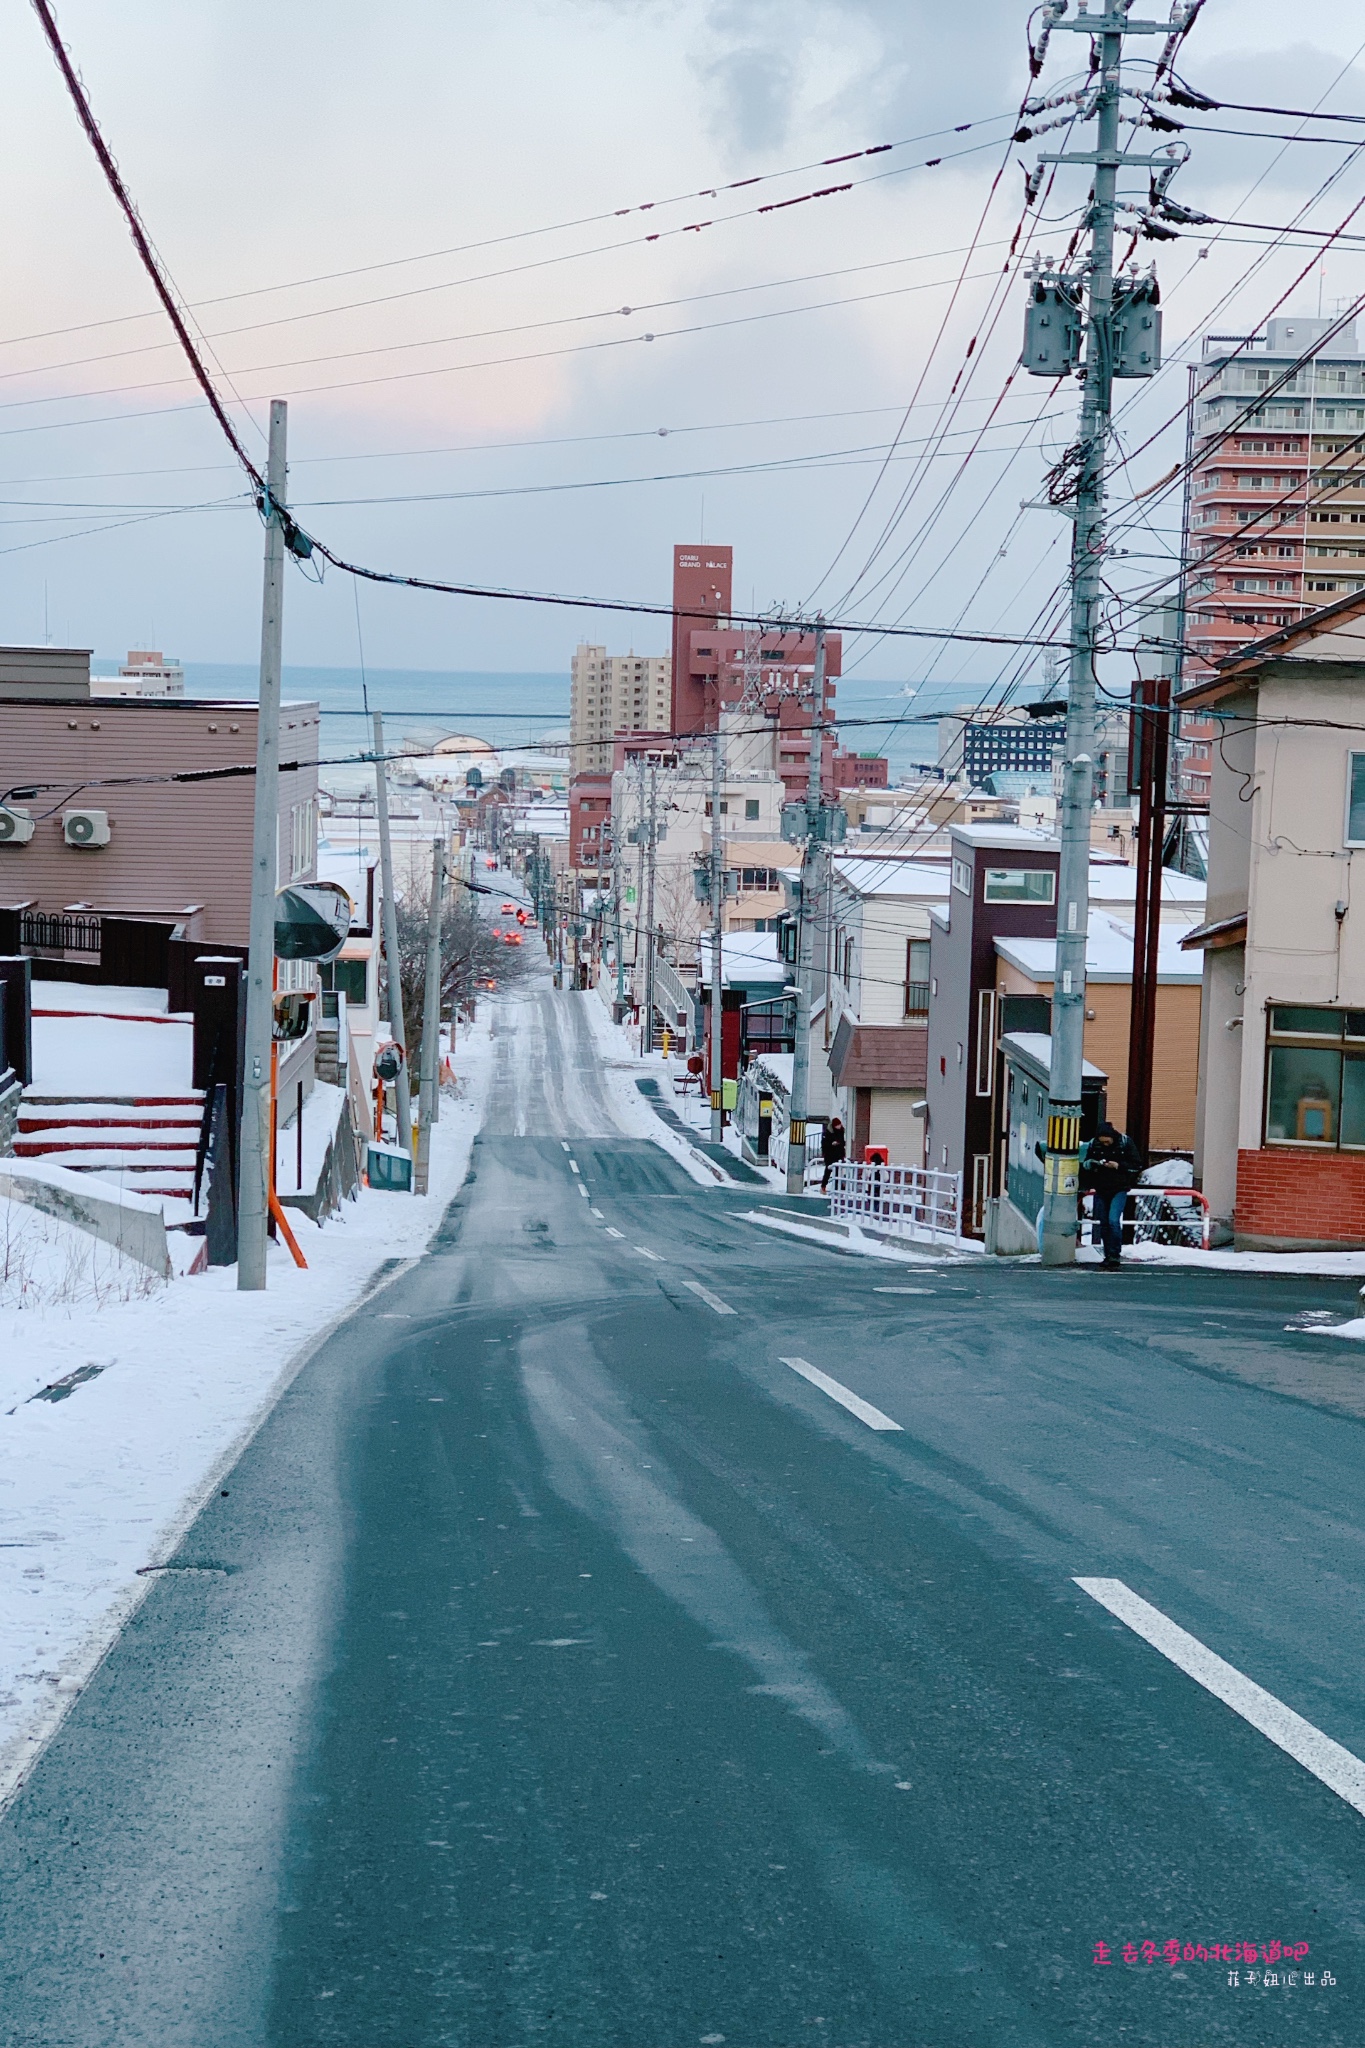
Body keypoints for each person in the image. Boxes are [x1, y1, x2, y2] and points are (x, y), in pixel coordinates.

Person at [1080, 1120, 1143, 1267]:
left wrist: (1118, 1166)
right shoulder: (1093, 1144)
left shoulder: (1125, 1143)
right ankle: (1108, 1254)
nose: (1105, 1144)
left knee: (1113, 1221)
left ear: (1112, 1136)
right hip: (1101, 1188)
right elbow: (1086, 1162)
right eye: (1102, 1142)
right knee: (1104, 1223)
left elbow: (1136, 1165)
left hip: (1119, 1188)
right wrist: (1091, 1163)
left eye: (1107, 1142)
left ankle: (1114, 1254)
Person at [820, 1116, 847, 1192]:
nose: (839, 1126)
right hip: (830, 1155)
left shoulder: (841, 1131)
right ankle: (823, 1186)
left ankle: (836, 1188)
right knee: (828, 1171)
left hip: (838, 1154)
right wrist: (831, 1144)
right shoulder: (828, 1133)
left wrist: (841, 1146)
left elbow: (842, 1142)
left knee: (838, 1171)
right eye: (838, 1125)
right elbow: (824, 1144)